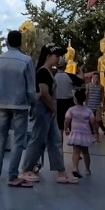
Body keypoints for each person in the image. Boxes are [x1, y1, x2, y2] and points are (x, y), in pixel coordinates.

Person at [20, 45, 79, 185]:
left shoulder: (48, 72)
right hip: (43, 111)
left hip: (48, 111)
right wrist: (53, 109)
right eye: (56, 56)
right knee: (37, 140)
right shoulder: (43, 72)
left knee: (55, 141)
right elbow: (44, 93)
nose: (58, 59)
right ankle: (25, 169)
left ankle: (61, 172)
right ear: (48, 56)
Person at [0, 30, 36, 187]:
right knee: (18, 140)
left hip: (1, 103)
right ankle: (13, 176)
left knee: (0, 138)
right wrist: (33, 103)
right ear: (21, 43)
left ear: (7, 42)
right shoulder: (26, 61)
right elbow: (30, 87)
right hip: (20, 103)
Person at [65, 87, 96, 177]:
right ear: (84, 99)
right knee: (85, 152)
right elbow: (92, 121)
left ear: (75, 99)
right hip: (85, 134)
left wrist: (66, 128)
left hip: (75, 133)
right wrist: (94, 132)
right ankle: (87, 169)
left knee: (76, 152)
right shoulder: (88, 110)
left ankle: (75, 168)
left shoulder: (71, 109)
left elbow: (67, 120)